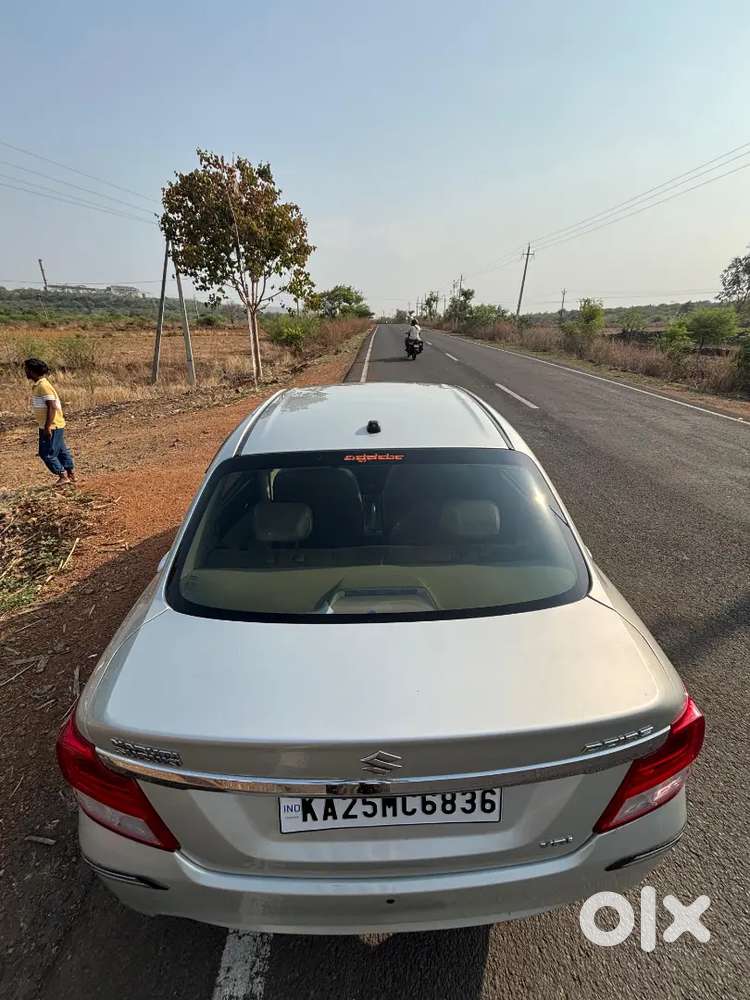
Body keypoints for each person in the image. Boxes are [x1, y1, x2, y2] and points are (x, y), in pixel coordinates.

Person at [24, 358, 76, 486]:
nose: (25, 372)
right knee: (61, 450)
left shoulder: (43, 386)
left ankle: (63, 476)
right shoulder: (39, 385)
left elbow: (52, 406)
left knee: (46, 453)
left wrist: (47, 427)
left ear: (32, 371)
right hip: (51, 425)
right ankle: (70, 474)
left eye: (27, 369)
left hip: (51, 426)